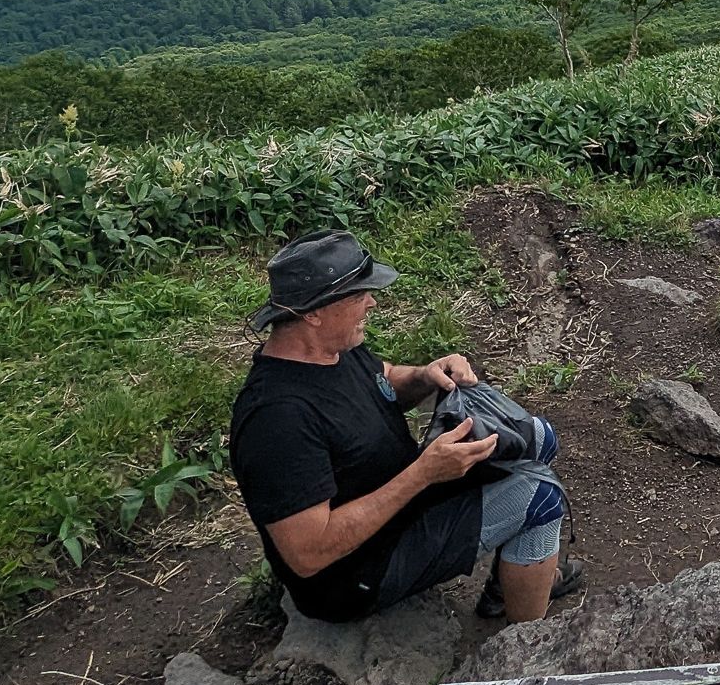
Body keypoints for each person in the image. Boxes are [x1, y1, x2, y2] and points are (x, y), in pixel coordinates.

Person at [228, 229, 584, 625]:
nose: (372, 302)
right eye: (360, 294)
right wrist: (423, 474)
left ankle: (513, 583)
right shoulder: (277, 420)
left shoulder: (330, 348)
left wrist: (426, 376)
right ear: (313, 312)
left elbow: (383, 378)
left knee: (535, 438)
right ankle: (525, 645)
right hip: (356, 575)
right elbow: (309, 554)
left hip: (400, 500)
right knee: (540, 497)